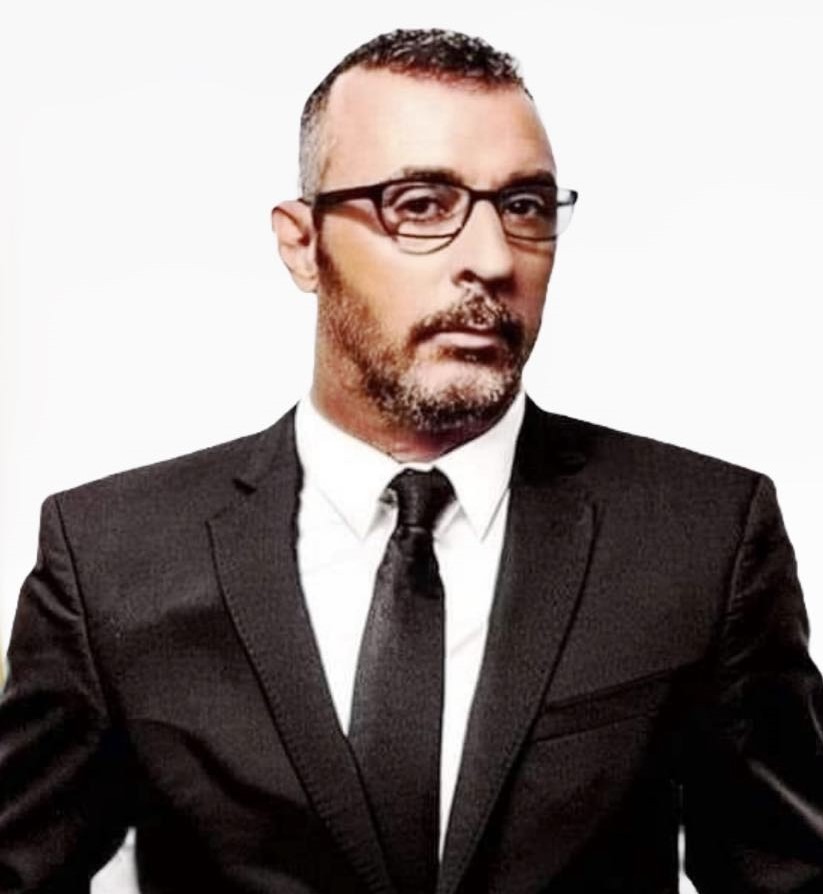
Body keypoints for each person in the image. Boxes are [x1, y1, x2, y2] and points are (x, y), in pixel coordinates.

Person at [1, 27, 822, 894]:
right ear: (302, 243)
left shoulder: (699, 538)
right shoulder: (113, 559)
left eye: (525, 207)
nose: (492, 260)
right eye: (421, 205)